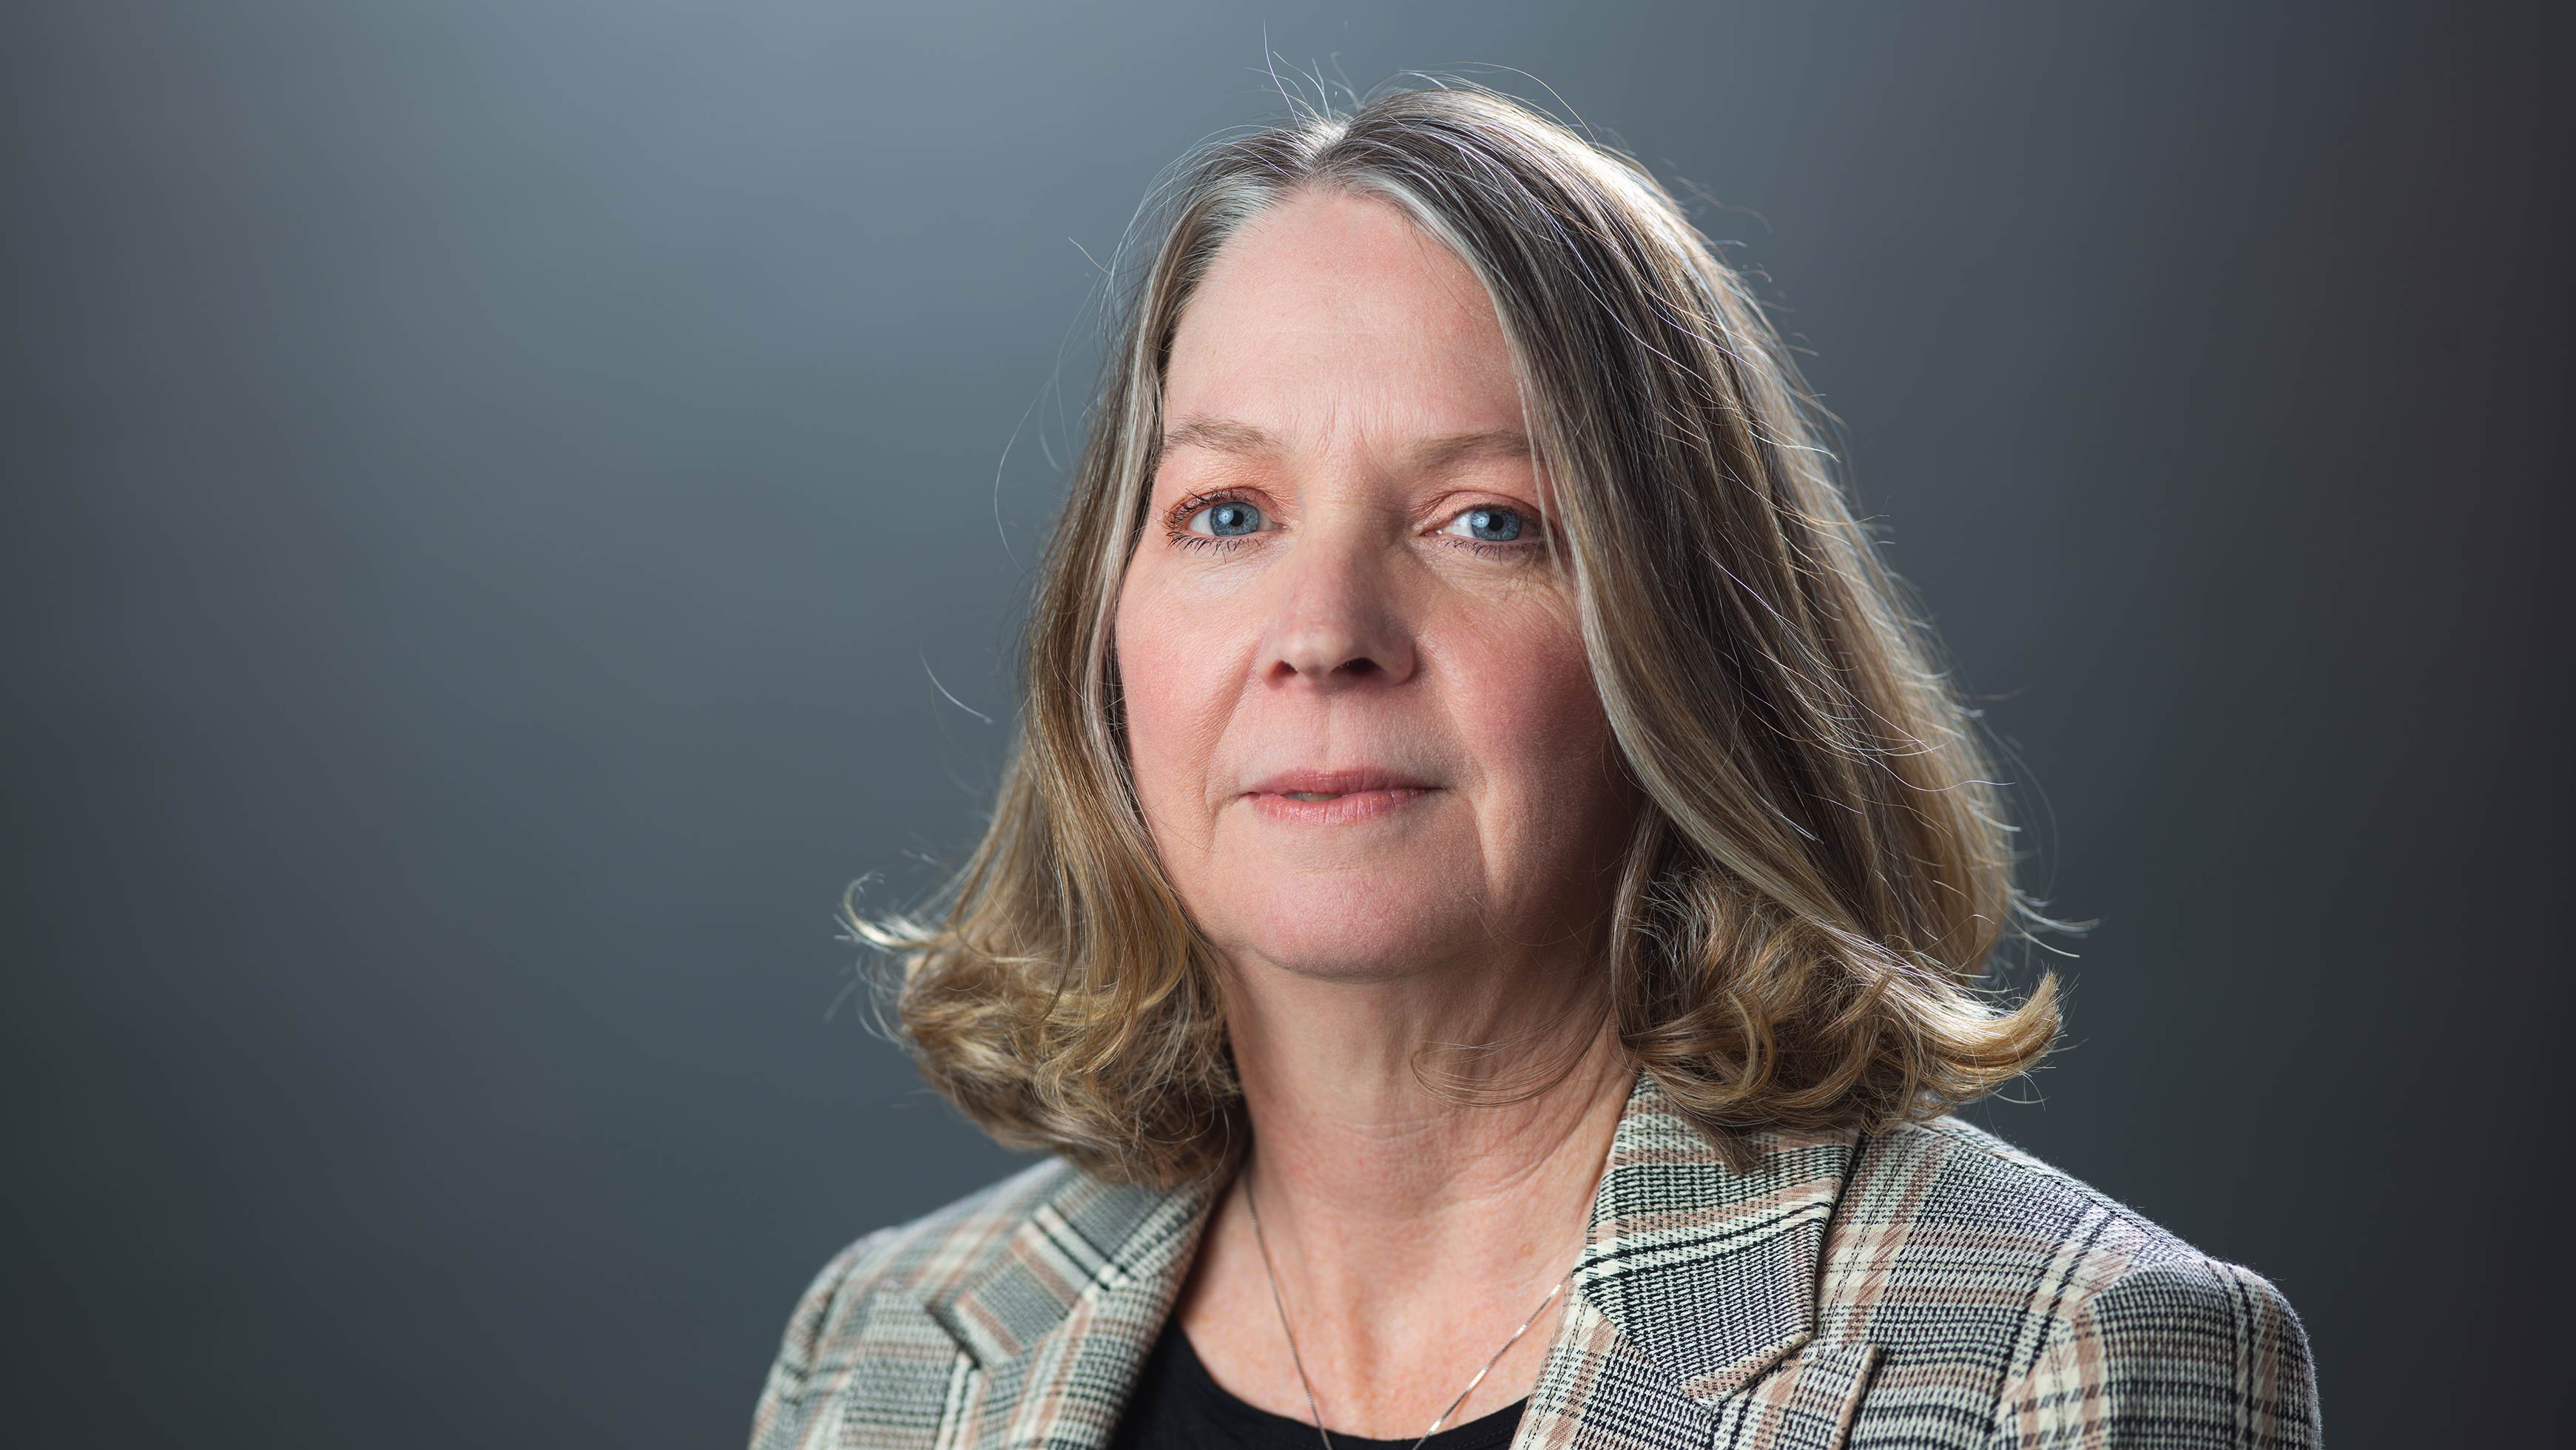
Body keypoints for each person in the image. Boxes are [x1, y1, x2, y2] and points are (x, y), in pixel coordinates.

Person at [747, 81, 2319, 1450]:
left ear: (1685, 640)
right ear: (1107, 633)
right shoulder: (885, 1352)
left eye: (1485, 519)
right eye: (1227, 511)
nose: (1325, 631)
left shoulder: (2058, 1362)